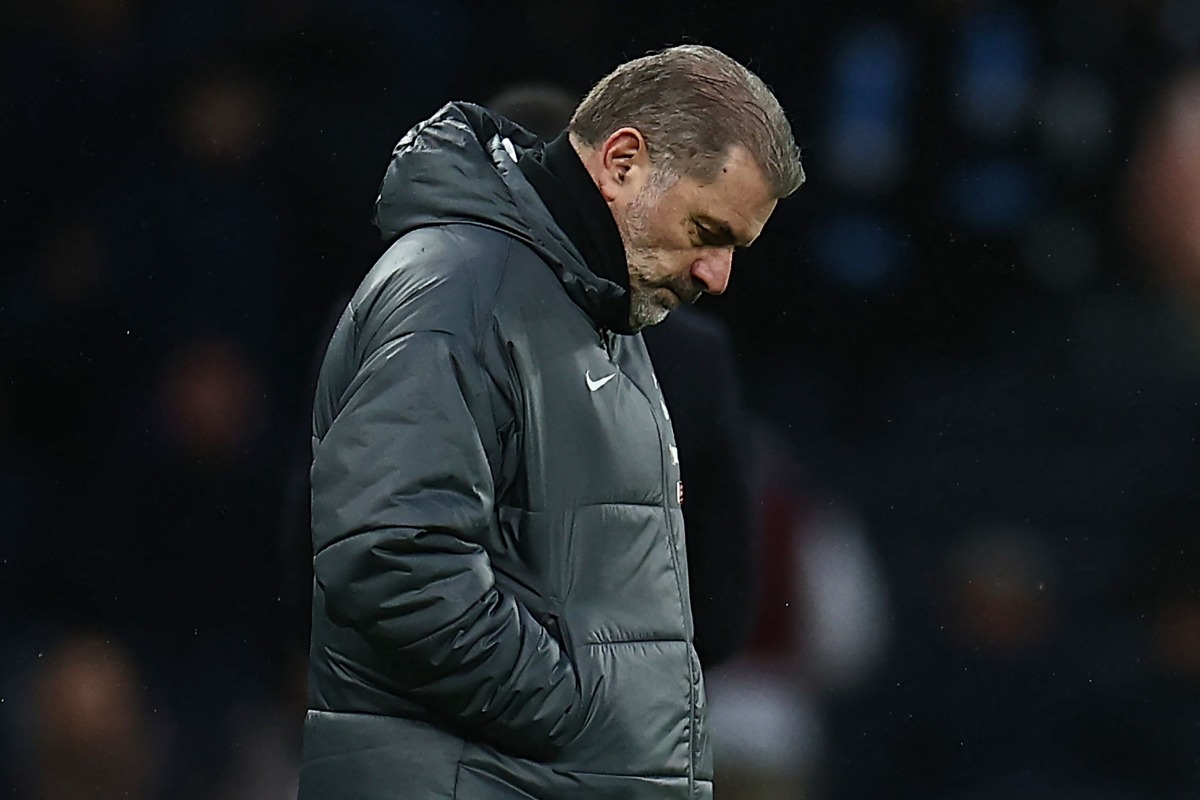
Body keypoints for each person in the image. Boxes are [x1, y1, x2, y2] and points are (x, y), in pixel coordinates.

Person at [299, 44, 803, 800]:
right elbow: (393, 560)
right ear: (624, 160)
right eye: (708, 232)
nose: (717, 275)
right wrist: (582, 712)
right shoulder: (456, 287)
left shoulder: (595, 308)